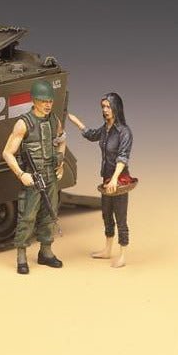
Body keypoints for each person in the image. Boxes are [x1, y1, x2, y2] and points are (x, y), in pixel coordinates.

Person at [1, 79, 66, 274]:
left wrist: (61, 162)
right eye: (43, 101)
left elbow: (62, 139)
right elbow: (7, 153)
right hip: (33, 178)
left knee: (49, 213)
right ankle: (21, 255)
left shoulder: (54, 120)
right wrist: (21, 174)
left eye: (50, 101)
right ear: (34, 100)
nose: (48, 105)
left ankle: (46, 252)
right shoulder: (24, 123)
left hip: (50, 175)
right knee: (27, 216)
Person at [68, 93, 135, 268]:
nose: (105, 110)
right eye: (103, 107)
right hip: (106, 180)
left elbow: (122, 158)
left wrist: (114, 179)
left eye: (108, 106)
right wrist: (76, 122)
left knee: (120, 217)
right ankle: (107, 250)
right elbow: (91, 135)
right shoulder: (105, 129)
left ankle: (122, 254)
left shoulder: (124, 132)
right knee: (106, 214)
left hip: (120, 180)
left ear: (116, 108)